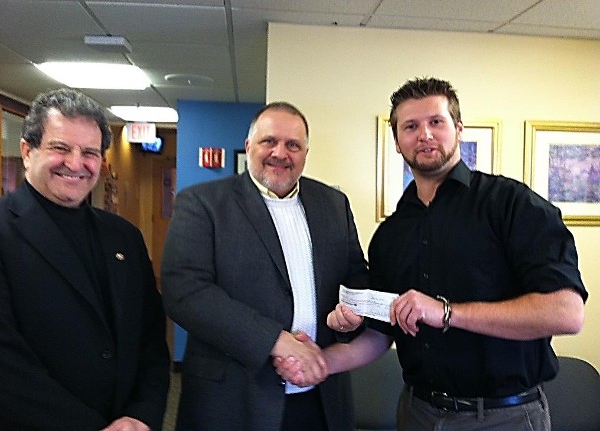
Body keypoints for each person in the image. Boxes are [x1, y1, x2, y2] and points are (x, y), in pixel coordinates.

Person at [277, 77, 588, 431]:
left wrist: (446, 312)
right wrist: (318, 362)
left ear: (458, 129)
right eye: (410, 126)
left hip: (504, 417)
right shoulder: (390, 235)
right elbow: (381, 336)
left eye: (436, 122)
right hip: (417, 413)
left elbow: (566, 313)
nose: (424, 134)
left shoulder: (512, 204)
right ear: (397, 142)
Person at [161, 101, 368, 431]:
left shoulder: (333, 204)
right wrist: (276, 340)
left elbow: (355, 274)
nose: (280, 153)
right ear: (249, 146)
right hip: (233, 400)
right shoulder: (203, 202)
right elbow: (184, 293)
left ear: (305, 153)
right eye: (269, 141)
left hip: (320, 397)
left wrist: (353, 310)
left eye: (293, 145)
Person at [0, 88, 170, 431]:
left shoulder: (124, 236)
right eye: (60, 148)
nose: (76, 164)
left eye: (89, 152)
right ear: (27, 152)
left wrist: (142, 414)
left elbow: (151, 338)